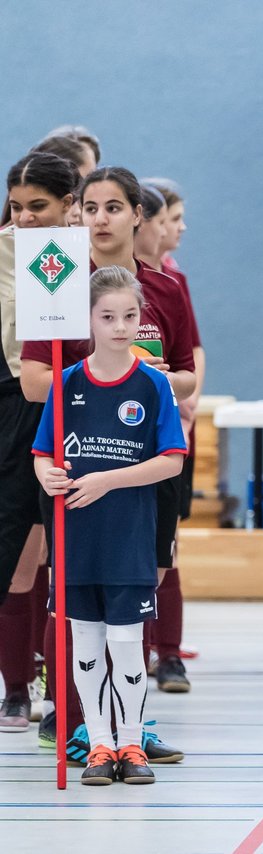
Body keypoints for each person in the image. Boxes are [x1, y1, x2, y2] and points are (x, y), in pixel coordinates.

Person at [21, 165, 193, 767]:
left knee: (135, 592)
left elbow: (189, 371)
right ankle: (72, 721)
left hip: (139, 460)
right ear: (78, 213)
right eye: (90, 208)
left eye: (113, 208)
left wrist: (151, 383)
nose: (100, 219)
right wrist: (90, 379)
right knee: (69, 595)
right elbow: (35, 380)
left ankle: (134, 728)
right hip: (75, 461)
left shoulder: (166, 288)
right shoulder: (59, 283)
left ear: (136, 214)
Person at [0, 152, 80, 734]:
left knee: (71, 562)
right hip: (14, 404)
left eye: (38, 207)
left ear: (68, 206)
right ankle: (16, 688)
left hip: (79, 408)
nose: (24, 219)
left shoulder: (84, 256)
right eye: (16, 206)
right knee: (18, 558)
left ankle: (70, 697)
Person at [140, 178, 201, 693]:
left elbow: (188, 360)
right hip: (102, 442)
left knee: (164, 549)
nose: (175, 229)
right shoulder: (85, 283)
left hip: (166, 434)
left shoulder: (169, 283)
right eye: (169, 218)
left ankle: (168, 653)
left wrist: (185, 394)